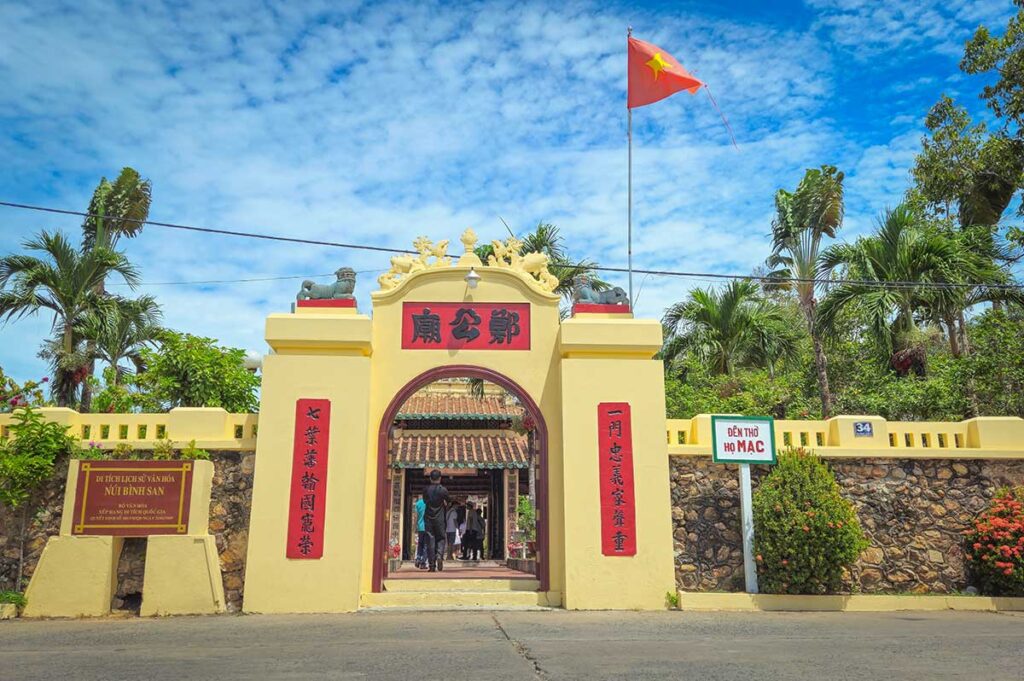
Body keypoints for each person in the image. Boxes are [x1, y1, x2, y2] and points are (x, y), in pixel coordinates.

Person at [423, 469, 450, 572]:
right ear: (440, 478)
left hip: (429, 517)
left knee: (430, 540)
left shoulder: (426, 489)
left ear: (430, 478)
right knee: (441, 538)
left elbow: (425, 501)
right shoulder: (443, 490)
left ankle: (431, 565)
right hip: (440, 518)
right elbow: (448, 501)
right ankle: (439, 556)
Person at [414, 491, 427, 569]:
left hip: (420, 527)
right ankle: (423, 562)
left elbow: (416, 515)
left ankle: (418, 558)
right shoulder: (429, 503)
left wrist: (415, 525)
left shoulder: (418, 503)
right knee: (426, 545)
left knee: (420, 544)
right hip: (428, 527)